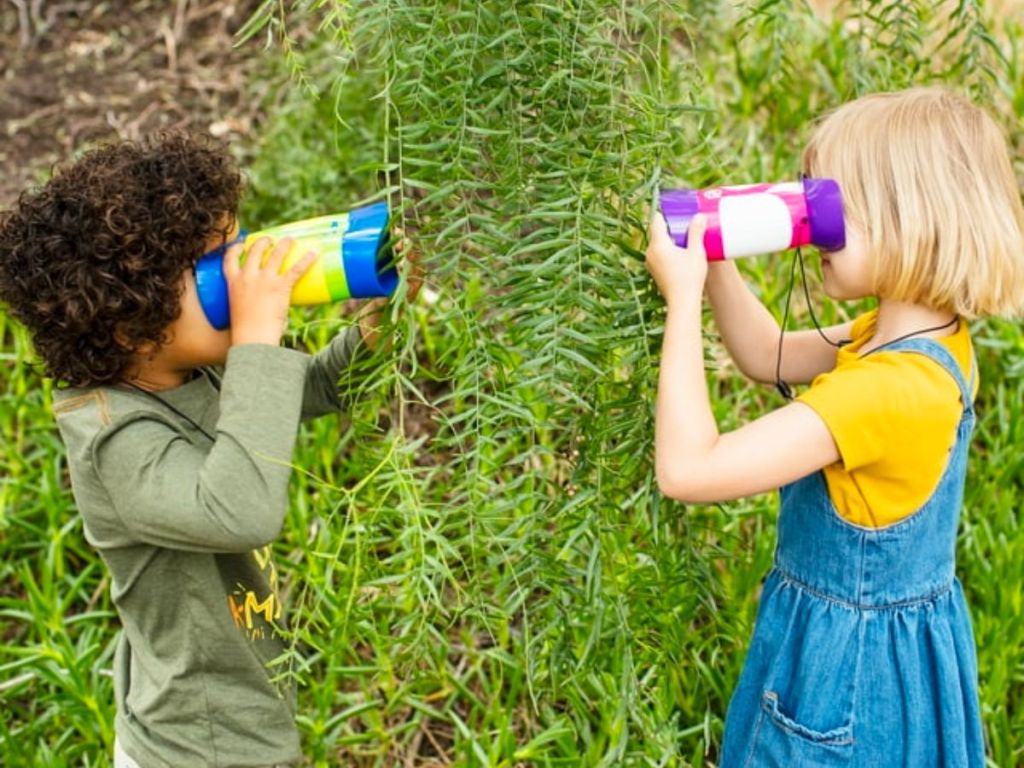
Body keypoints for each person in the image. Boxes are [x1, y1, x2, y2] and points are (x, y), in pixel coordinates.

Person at [0, 130, 418, 767]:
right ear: (128, 317)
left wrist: (375, 329)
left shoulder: (185, 370)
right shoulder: (114, 438)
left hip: (236, 717)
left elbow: (305, 391)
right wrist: (255, 339)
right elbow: (240, 509)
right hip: (195, 747)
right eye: (211, 269)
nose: (237, 275)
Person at [645, 87, 1024, 766]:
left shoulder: (886, 393)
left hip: (840, 679)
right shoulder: (920, 339)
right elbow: (769, 355)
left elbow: (688, 469)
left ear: (910, 224)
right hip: (897, 658)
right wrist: (715, 257)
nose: (814, 228)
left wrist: (682, 300)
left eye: (831, 210)